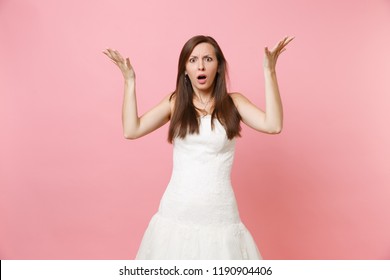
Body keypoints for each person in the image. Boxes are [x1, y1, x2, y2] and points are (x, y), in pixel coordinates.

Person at [103, 35, 293, 259]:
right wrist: (129, 81)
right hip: (176, 213)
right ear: (185, 69)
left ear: (219, 66)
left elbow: (273, 125)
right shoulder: (175, 103)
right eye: (192, 60)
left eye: (207, 59)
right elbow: (131, 130)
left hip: (220, 215)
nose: (200, 66)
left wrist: (269, 71)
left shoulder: (234, 103)